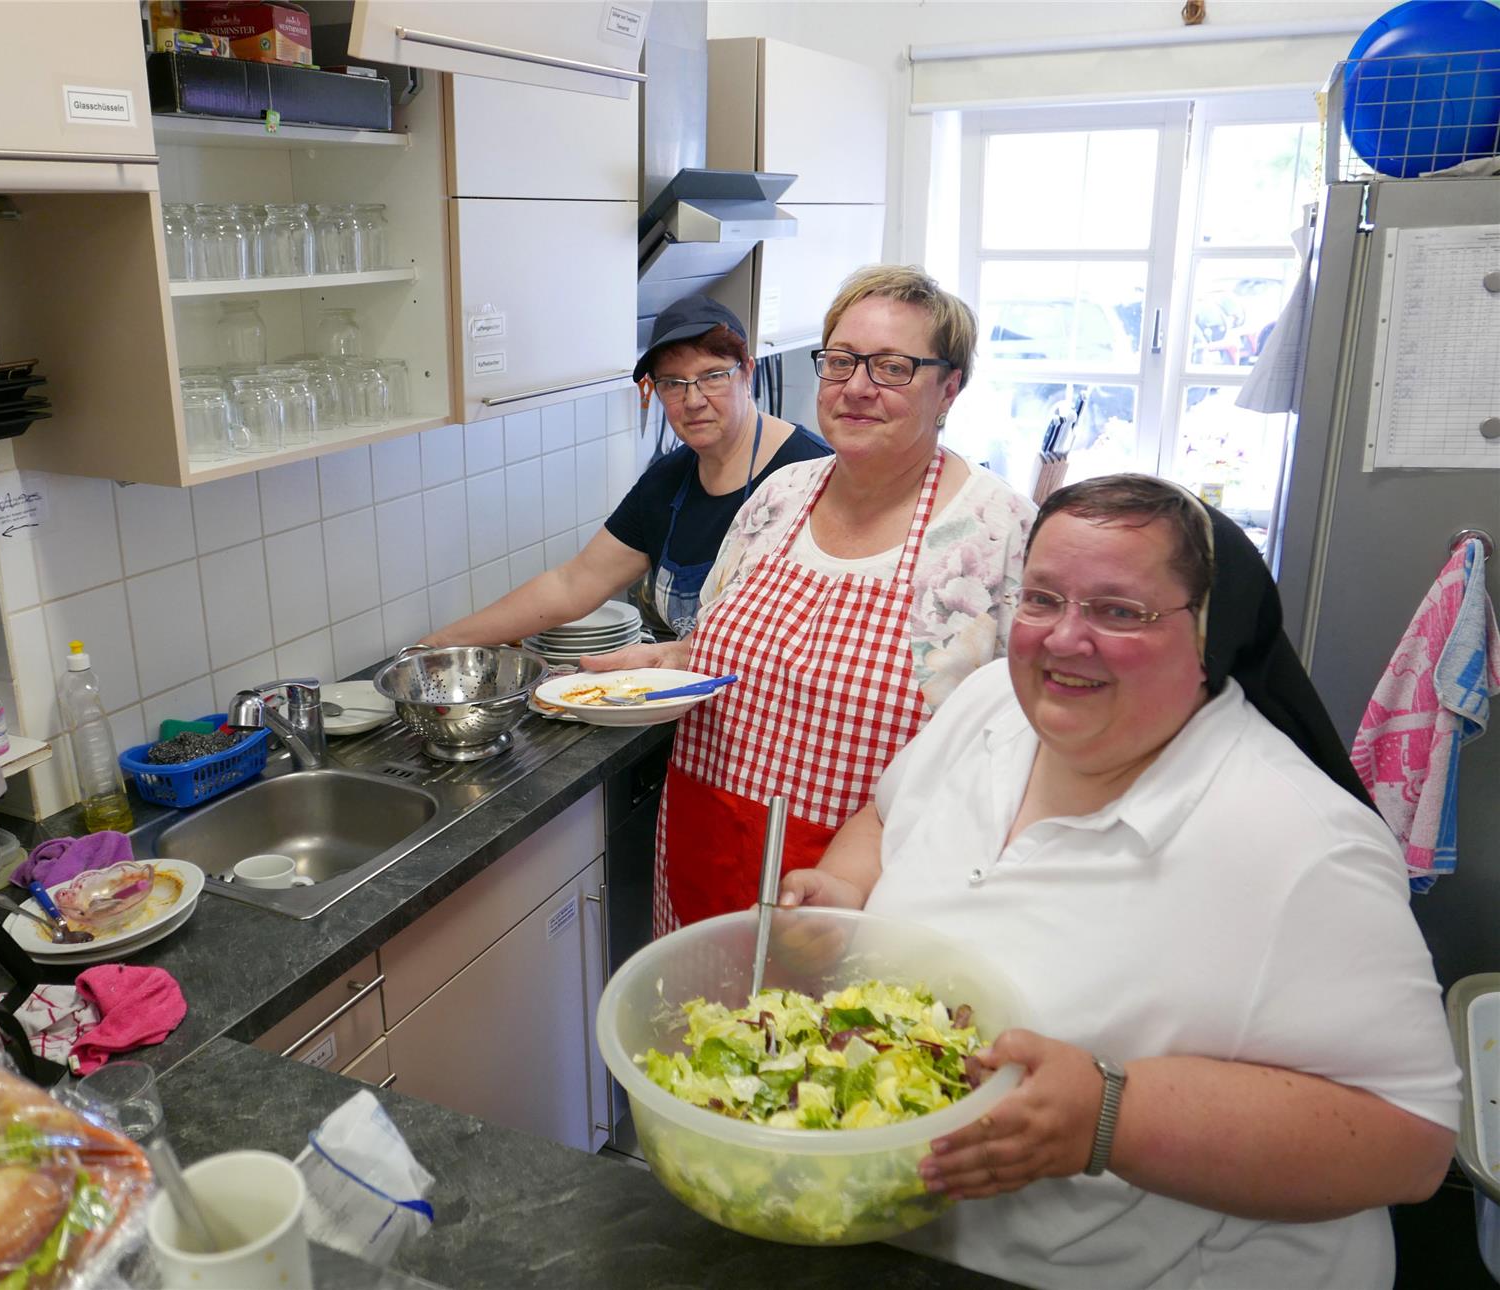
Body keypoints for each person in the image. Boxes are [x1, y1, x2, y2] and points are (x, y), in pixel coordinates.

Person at [778, 474, 1461, 1290]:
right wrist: (845, 890)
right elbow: (889, 819)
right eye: (1041, 599)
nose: (1065, 639)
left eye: (1118, 611)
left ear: (1208, 635)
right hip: (919, 1243)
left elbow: (1411, 1142)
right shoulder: (993, 703)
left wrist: (1110, 1116)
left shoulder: (1300, 843)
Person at [588, 266, 1037, 934]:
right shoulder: (776, 497)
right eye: (841, 361)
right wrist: (658, 662)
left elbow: (1026, 743)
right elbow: (728, 652)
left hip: (878, 898)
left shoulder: (1001, 535)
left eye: (892, 367)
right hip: (704, 858)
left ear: (949, 389)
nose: (857, 387)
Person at [420, 295, 828, 646]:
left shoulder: (811, 475)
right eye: (672, 383)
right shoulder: (667, 483)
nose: (694, 399)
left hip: (780, 721)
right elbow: (571, 585)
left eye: (712, 377)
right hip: (696, 719)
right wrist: (438, 643)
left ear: (748, 373)